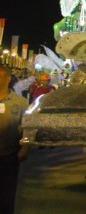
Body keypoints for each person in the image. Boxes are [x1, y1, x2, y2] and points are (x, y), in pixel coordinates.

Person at [1, 65, 29, 214]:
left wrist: (25, 148)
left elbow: (27, 127)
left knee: (7, 192)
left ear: (8, 79)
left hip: (9, 154)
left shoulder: (20, 102)